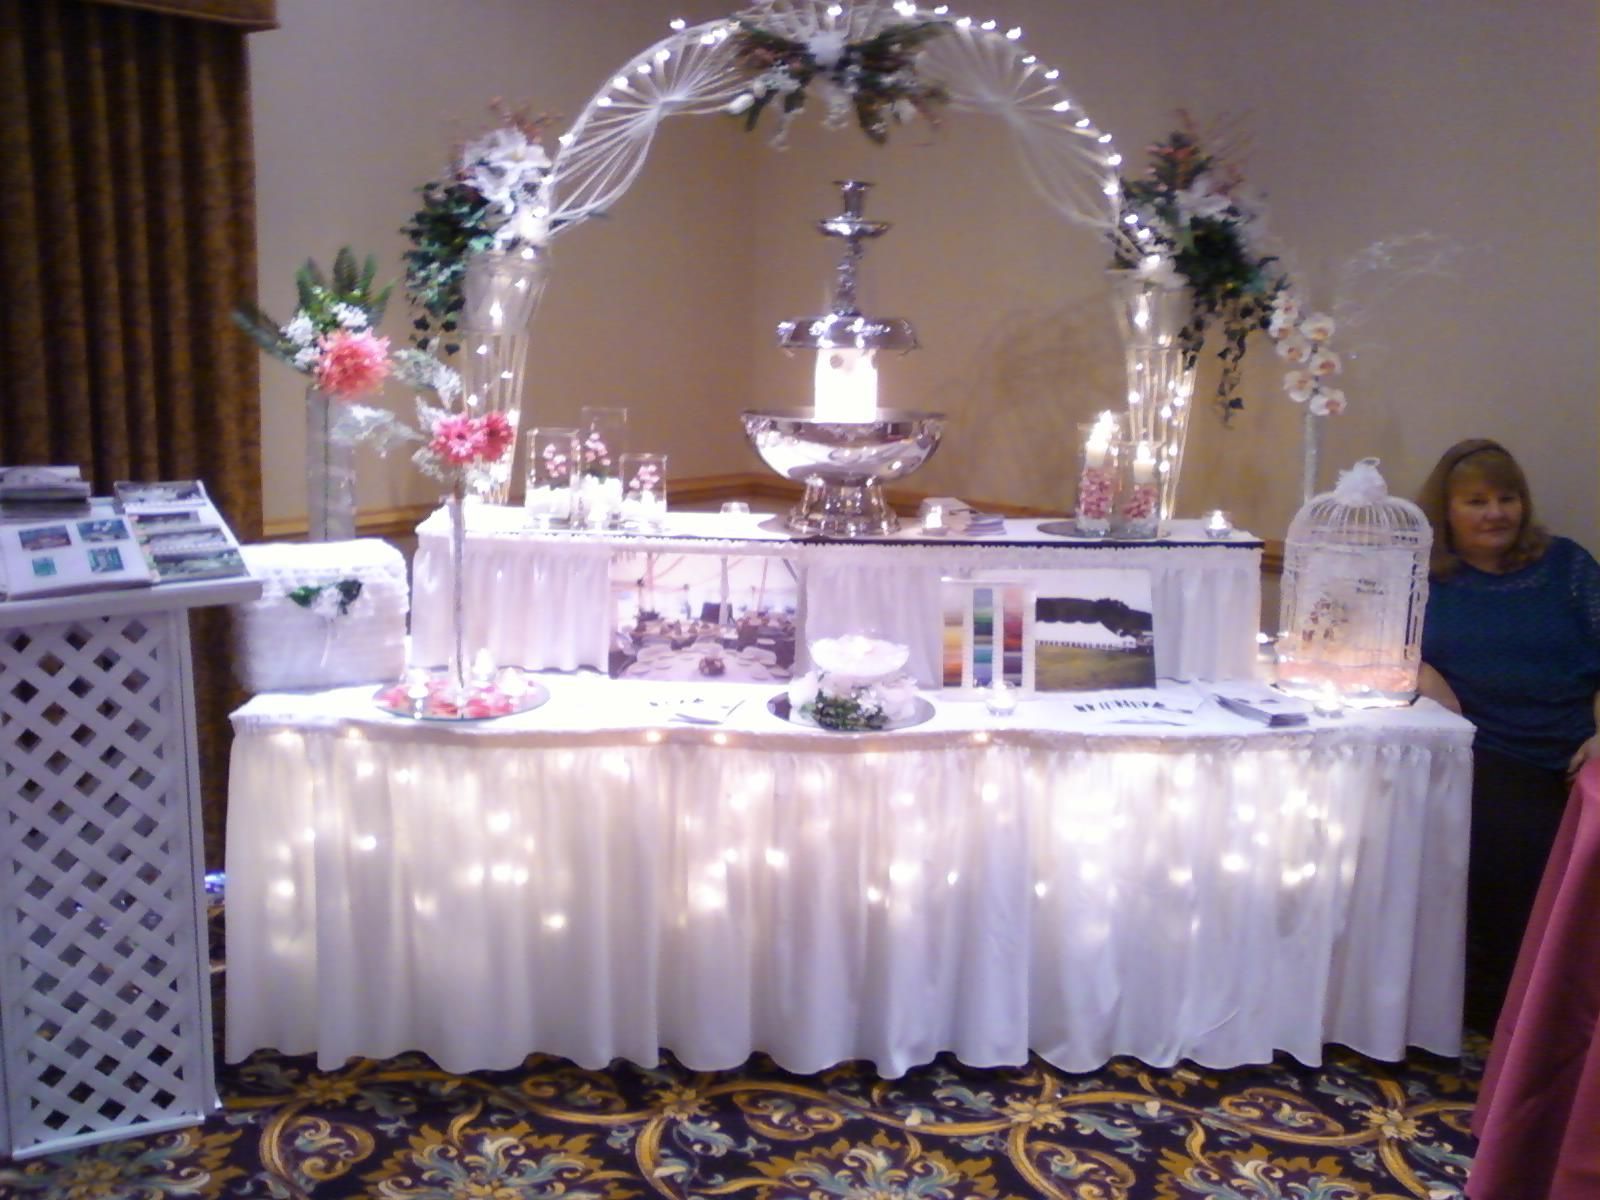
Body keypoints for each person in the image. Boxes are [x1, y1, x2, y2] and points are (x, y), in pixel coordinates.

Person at [1415, 438, 1600, 1030]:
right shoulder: (1426, 579)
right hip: (1486, 748)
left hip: (1576, 747)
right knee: (1518, 841)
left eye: (1507, 498)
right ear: (1447, 512)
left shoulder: (1568, 567)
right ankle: (1509, 1017)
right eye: (1477, 501)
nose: (1496, 512)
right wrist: (1426, 673)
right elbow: (1383, 646)